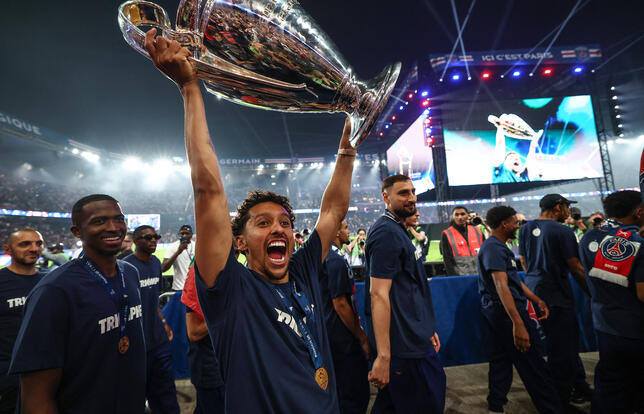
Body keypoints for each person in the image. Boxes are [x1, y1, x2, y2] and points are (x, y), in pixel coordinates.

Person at [145, 29, 355, 412]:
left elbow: (332, 212)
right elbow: (208, 191)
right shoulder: (231, 289)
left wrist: (348, 150)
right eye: (263, 223)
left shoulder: (304, 270)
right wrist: (189, 88)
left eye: (285, 223)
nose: (278, 228)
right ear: (239, 242)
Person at [9, 194, 146, 413]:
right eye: (99, 221)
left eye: (119, 219)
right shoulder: (54, 290)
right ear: (77, 232)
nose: (113, 227)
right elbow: (36, 394)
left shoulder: (130, 273)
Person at [365, 174, 445, 414]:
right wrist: (384, 356)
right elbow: (378, 294)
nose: (411, 198)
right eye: (403, 193)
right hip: (405, 346)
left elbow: (408, 287)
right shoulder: (386, 233)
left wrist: (425, 328)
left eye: (412, 192)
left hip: (413, 336)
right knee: (427, 403)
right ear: (386, 197)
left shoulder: (397, 229)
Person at [477, 206, 562, 413]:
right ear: (504, 224)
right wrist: (518, 324)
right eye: (515, 222)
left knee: (501, 361)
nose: (518, 225)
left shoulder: (496, 246)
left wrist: (536, 299)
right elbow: (501, 286)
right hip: (506, 314)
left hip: (499, 313)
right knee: (534, 366)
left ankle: (496, 406)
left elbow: (512, 280)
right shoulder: (494, 248)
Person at [519, 194, 593, 407]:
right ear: (558, 207)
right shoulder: (563, 231)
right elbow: (575, 267)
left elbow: (523, 260)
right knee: (562, 350)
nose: (569, 212)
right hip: (556, 296)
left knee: (561, 345)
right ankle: (559, 400)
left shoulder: (525, 229)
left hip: (534, 292)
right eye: (567, 207)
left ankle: (579, 386)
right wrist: (592, 292)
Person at [578, 190, 644, 414]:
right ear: (638, 212)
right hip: (636, 328)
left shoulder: (589, 236)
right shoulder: (638, 241)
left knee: (610, 387)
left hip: (604, 325)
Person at [123, 225, 179, 414]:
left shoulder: (155, 263)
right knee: (135, 394)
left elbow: (154, 298)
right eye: (148, 237)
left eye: (156, 237)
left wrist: (163, 322)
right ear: (136, 241)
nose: (153, 240)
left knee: (166, 391)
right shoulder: (126, 267)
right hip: (136, 343)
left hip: (158, 340)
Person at [319, 219, 370, 414]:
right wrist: (361, 336)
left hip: (332, 334)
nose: (349, 231)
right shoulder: (334, 259)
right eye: (345, 228)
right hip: (342, 338)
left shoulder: (331, 256)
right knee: (353, 394)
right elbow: (340, 303)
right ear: (335, 232)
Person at [0, 229, 46, 414]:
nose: (34, 248)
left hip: (45, 374)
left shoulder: (50, 281)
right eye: (25, 244)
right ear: (8, 250)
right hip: (7, 377)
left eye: (38, 243)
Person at [182, 264, 225, 414]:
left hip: (226, 366)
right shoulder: (199, 274)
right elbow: (194, 332)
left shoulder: (231, 268)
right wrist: (226, 313)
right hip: (210, 370)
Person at [489, 113, 543, 183]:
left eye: (518, 158)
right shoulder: (501, 174)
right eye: (511, 157)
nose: (516, 159)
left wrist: (533, 144)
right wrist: (500, 127)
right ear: (504, 163)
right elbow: (500, 145)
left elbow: (530, 160)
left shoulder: (524, 178)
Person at [440, 206, 484, 275]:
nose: (460, 217)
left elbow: (485, 253)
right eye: (456, 215)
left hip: (480, 275)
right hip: (461, 276)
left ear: (467, 216)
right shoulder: (447, 234)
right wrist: (454, 277)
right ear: (453, 217)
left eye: (462, 214)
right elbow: (447, 260)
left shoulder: (477, 230)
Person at [162, 225, 195, 290]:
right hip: (179, 288)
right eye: (182, 233)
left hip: (194, 288)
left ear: (191, 235)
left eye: (187, 233)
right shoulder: (173, 247)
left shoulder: (196, 246)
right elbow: (163, 268)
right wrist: (178, 251)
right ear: (179, 234)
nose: (184, 236)